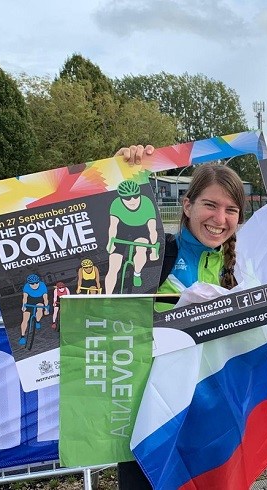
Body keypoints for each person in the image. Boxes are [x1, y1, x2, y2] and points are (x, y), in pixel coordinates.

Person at [114, 155, 246, 488]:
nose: (220, 218)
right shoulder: (155, 255)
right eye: (210, 205)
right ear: (186, 206)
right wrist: (121, 170)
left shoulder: (244, 267)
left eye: (231, 210)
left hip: (214, 425)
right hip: (151, 424)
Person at [104, 179, 160, 294]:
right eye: (127, 198)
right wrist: (110, 243)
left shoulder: (147, 203)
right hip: (123, 228)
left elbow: (152, 230)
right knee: (113, 265)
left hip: (141, 228)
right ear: (121, 198)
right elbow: (113, 227)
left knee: (142, 247)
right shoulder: (116, 204)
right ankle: (107, 298)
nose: (132, 200)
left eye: (135, 196)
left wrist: (154, 250)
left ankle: (137, 273)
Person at [19, 274, 49, 345]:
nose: (35, 285)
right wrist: (24, 306)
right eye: (32, 284)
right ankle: (22, 336)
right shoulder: (26, 287)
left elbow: (45, 298)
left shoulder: (42, 286)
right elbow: (25, 298)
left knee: (40, 308)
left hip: (39, 299)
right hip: (30, 299)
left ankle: (37, 321)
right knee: (25, 318)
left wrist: (46, 308)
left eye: (36, 283)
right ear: (29, 284)